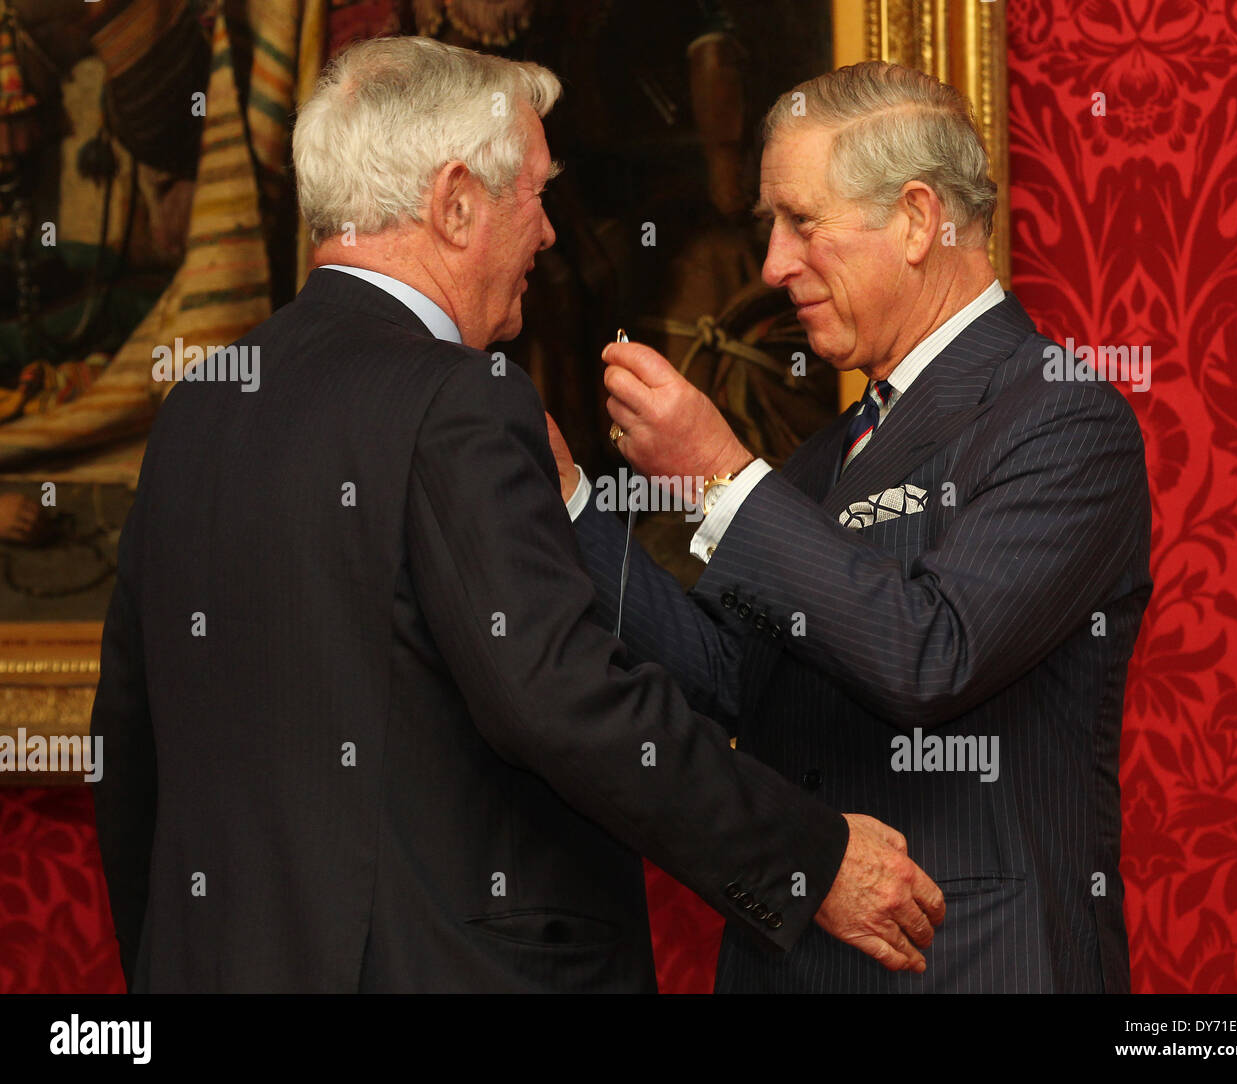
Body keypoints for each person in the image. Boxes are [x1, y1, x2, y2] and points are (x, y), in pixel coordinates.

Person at [88, 37, 945, 994]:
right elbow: (564, 701)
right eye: (534, 194)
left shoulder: (200, 407)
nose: (546, 234)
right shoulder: (459, 399)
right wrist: (810, 856)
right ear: (455, 203)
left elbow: (128, 749)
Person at [551, 61, 1152, 993]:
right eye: (770, 227)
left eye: (801, 221)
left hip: (963, 964)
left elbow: (933, 654)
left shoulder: (1062, 418)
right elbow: (726, 680)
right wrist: (570, 506)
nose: (773, 266)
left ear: (917, 219)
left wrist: (718, 473)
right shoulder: (830, 451)